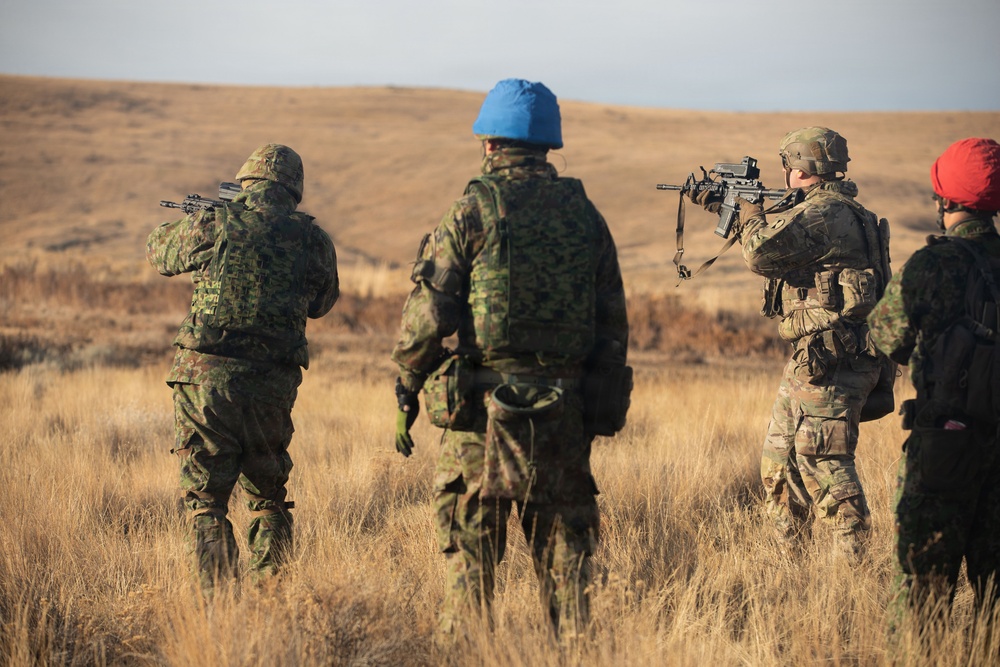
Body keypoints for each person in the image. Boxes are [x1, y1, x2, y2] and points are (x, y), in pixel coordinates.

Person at [391, 78, 629, 641]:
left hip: (481, 418)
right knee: (568, 569)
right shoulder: (585, 217)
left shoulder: (471, 211)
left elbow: (429, 315)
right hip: (563, 415)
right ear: (549, 144)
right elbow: (612, 326)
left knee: (471, 565)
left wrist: (406, 387)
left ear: (489, 142)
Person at [147, 144, 339, 591]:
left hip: (205, 382)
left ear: (248, 180)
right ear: (293, 189)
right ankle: (274, 597)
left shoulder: (216, 223)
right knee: (269, 498)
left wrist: (199, 223)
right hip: (271, 386)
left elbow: (159, 252)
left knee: (206, 499)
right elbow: (322, 304)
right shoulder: (313, 239)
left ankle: (218, 608)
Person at [692, 127, 891, 556]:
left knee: (824, 462)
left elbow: (760, 253)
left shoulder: (828, 213)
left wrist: (747, 210)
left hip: (834, 359)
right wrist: (725, 205)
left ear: (799, 168)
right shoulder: (826, 210)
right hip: (815, 357)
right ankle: (788, 567)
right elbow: (777, 241)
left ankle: (853, 572)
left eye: (788, 165)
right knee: (780, 464)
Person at [867, 137, 1000, 625]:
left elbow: (885, 334)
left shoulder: (931, 264)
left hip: (945, 444)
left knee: (921, 588)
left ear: (946, 199)